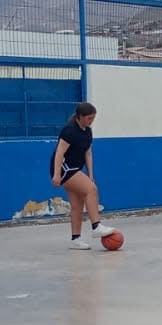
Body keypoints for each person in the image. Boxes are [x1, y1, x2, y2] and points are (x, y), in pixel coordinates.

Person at [50, 102, 116, 250]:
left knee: (77, 205)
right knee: (91, 189)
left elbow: (88, 152)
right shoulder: (69, 131)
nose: (91, 121)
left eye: (93, 118)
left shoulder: (87, 131)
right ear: (80, 117)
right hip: (65, 169)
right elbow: (59, 152)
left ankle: (75, 239)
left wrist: (90, 174)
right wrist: (56, 174)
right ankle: (96, 226)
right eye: (88, 118)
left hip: (75, 168)